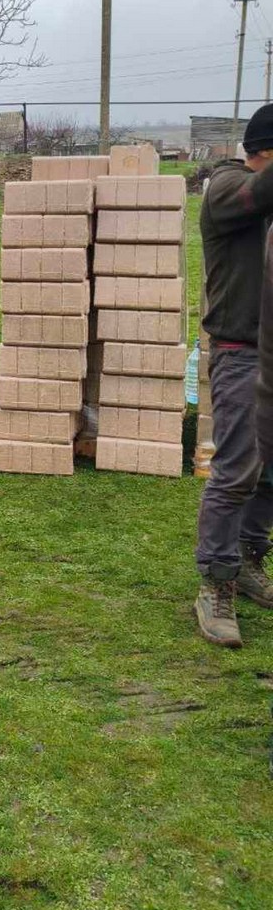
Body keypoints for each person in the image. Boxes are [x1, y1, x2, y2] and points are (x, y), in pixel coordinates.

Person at [194, 104, 273, 647]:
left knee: (269, 473)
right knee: (236, 470)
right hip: (241, 349)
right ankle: (216, 582)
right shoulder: (226, 189)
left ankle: (250, 560)